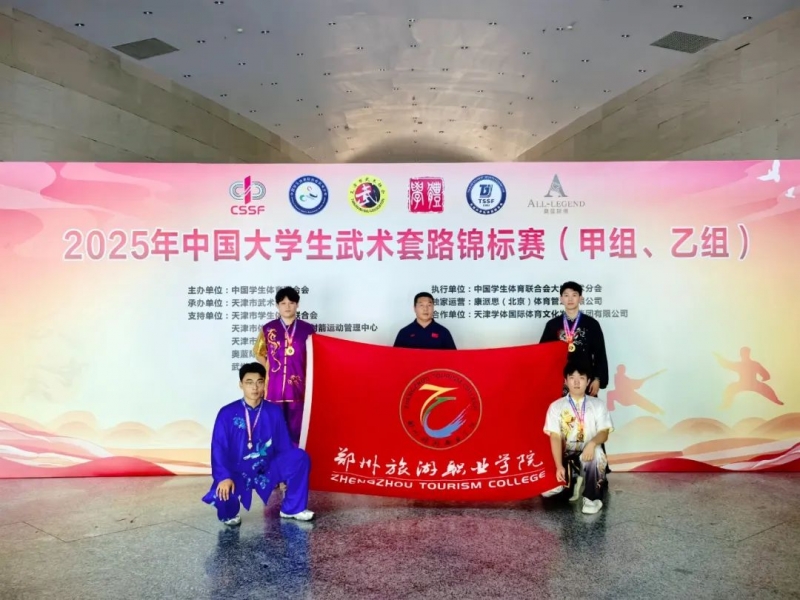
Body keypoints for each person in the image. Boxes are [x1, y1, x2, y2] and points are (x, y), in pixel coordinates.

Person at [201, 362, 315, 526]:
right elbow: (219, 448)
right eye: (249, 382)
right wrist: (224, 477)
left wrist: (286, 476)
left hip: (266, 468)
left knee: (299, 457)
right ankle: (230, 511)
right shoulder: (226, 413)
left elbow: (283, 445)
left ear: (264, 384)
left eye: (259, 382)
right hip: (237, 471)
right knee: (223, 499)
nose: (255, 387)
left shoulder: (274, 411)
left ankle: (292, 508)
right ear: (241, 385)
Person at [541, 360, 614, 514]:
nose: (576, 382)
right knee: (548, 491)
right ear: (565, 381)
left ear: (588, 381)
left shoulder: (597, 405)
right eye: (572, 378)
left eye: (581, 378)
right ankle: (573, 482)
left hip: (588, 452)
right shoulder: (556, 406)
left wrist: (592, 444)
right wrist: (558, 465)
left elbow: (604, 433)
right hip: (567, 454)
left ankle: (592, 498)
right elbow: (555, 436)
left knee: (597, 453)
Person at [252, 287, 315, 446]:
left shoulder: (308, 329)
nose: (287, 306)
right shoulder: (268, 329)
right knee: (274, 427)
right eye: (283, 303)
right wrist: (269, 368)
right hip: (274, 387)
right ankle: (274, 458)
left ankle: (295, 458)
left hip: (299, 387)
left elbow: (315, 356)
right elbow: (258, 352)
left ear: (297, 305)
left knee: (298, 428)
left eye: (291, 303)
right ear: (277, 305)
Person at [539, 281, 609, 397]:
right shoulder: (552, 325)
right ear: (561, 299)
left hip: (585, 379)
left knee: (586, 408)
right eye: (566, 295)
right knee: (561, 408)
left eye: (574, 295)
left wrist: (597, 379)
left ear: (580, 298)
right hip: (560, 380)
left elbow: (599, 354)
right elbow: (543, 354)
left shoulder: (592, 324)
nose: (570, 299)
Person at [393, 292, 457, 350]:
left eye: (429, 305)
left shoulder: (444, 332)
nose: (425, 309)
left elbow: (453, 357)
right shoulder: (404, 332)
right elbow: (395, 357)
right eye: (421, 305)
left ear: (433, 308)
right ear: (414, 308)